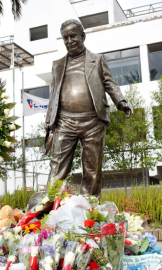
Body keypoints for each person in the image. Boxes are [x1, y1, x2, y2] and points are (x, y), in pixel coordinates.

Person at [44, 19, 133, 197]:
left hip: (93, 120)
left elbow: (110, 83)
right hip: (64, 121)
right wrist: (49, 122)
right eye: (65, 38)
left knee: (92, 167)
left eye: (73, 36)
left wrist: (121, 102)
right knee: (57, 165)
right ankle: (50, 205)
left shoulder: (98, 60)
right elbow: (54, 95)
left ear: (82, 36)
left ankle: (89, 207)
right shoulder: (57, 64)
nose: (69, 41)